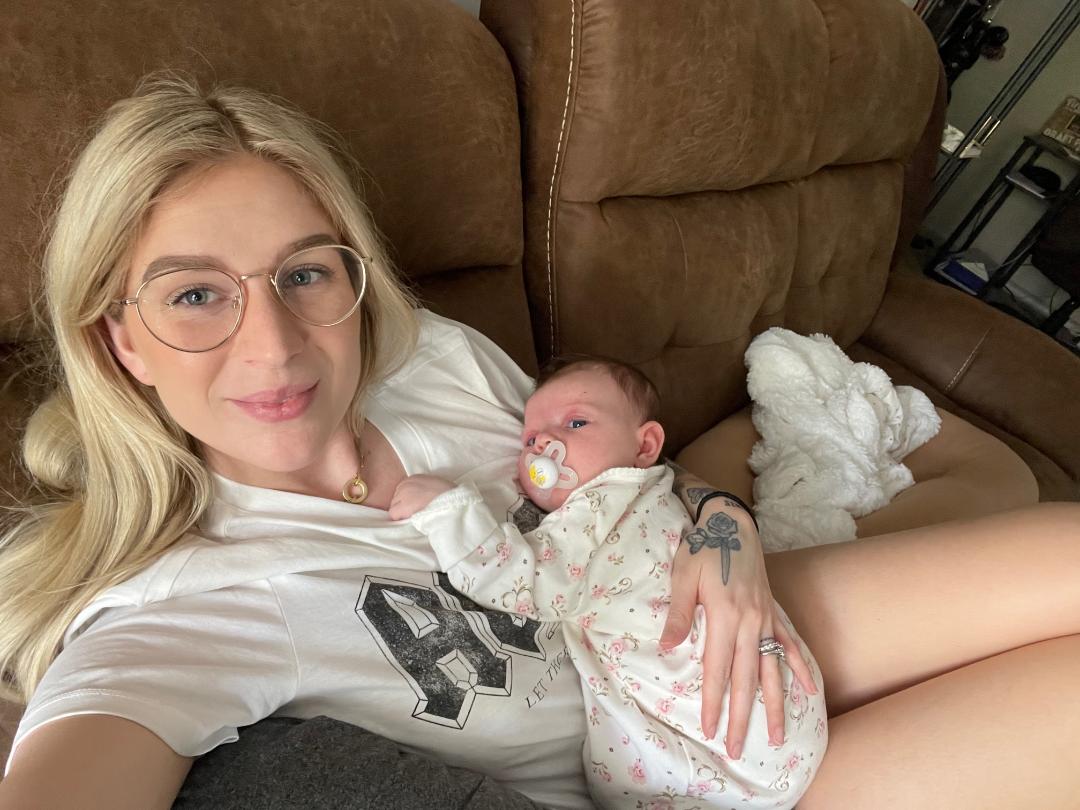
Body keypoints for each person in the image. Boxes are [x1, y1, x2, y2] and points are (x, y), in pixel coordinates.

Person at [0, 76, 1077, 810]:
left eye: (305, 273)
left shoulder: (433, 361)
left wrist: (724, 524)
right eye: (194, 294)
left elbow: (624, 475)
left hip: (705, 610)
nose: (273, 343)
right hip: (678, 768)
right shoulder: (183, 610)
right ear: (119, 339)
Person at [390, 357, 828, 808]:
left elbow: (517, 581)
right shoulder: (652, 490)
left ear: (645, 446)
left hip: (720, 757)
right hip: (781, 726)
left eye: (576, 423)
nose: (546, 443)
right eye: (530, 439)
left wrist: (447, 510)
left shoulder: (602, 505)